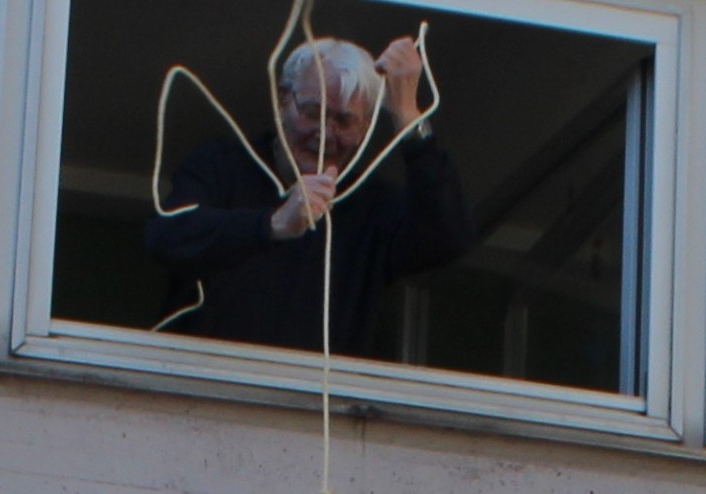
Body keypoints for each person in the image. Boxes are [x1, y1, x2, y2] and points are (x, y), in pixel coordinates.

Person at [148, 31, 473, 356]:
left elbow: (447, 240)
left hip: (315, 402)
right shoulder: (222, 165)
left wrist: (408, 117)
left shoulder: (373, 206)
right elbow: (166, 237)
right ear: (282, 101)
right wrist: (273, 224)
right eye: (312, 112)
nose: (325, 134)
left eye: (344, 121)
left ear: (365, 129)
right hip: (202, 390)